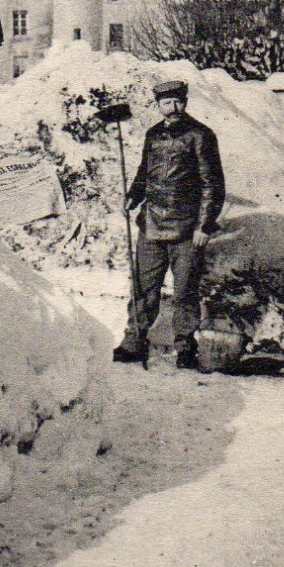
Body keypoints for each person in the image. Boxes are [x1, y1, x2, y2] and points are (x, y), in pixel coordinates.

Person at [113, 79, 225, 370]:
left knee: (185, 290)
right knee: (143, 286)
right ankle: (134, 342)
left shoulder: (200, 135)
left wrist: (204, 225)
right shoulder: (153, 135)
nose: (172, 108)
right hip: (151, 224)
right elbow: (143, 173)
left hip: (186, 228)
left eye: (177, 102)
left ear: (184, 103)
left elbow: (212, 184)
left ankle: (185, 347)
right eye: (166, 103)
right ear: (158, 106)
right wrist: (132, 197)